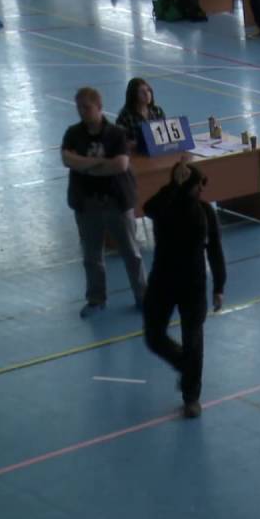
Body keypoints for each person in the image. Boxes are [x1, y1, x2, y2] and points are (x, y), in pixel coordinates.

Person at [142, 162, 226, 419]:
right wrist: (173, 186)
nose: (202, 190)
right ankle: (184, 364)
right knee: (153, 336)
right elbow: (148, 208)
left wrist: (219, 286)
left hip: (193, 284)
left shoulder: (205, 212)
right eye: (197, 185)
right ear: (185, 185)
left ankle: (191, 398)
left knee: (194, 339)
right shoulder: (165, 207)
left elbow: (215, 249)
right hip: (163, 281)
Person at [61, 86, 147, 318]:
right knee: (92, 256)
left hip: (116, 202)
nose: (82, 112)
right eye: (79, 108)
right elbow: (66, 159)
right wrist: (98, 163)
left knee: (131, 253)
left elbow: (120, 165)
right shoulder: (73, 133)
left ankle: (142, 296)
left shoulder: (116, 134)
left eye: (86, 107)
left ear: (99, 107)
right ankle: (96, 299)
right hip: (87, 204)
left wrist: (84, 165)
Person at [115, 78, 166, 149]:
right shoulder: (125, 116)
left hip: (158, 151)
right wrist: (141, 143)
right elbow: (120, 143)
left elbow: (166, 133)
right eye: (142, 92)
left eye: (148, 90)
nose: (147, 94)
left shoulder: (157, 111)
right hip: (136, 153)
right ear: (134, 95)